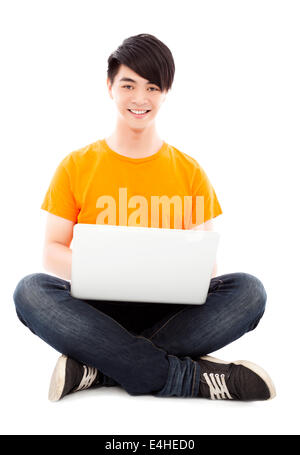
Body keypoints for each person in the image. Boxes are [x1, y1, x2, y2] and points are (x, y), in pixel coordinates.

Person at [13, 33, 276, 402]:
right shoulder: (76, 166)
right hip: (96, 312)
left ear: (166, 92)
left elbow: (207, 267)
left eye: (152, 87)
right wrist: (107, 272)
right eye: (128, 85)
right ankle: (188, 378)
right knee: (30, 290)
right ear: (109, 87)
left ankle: (99, 369)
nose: (140, 99)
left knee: (249, 291)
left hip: (171, 315)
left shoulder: (190, 171)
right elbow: (52, 250)